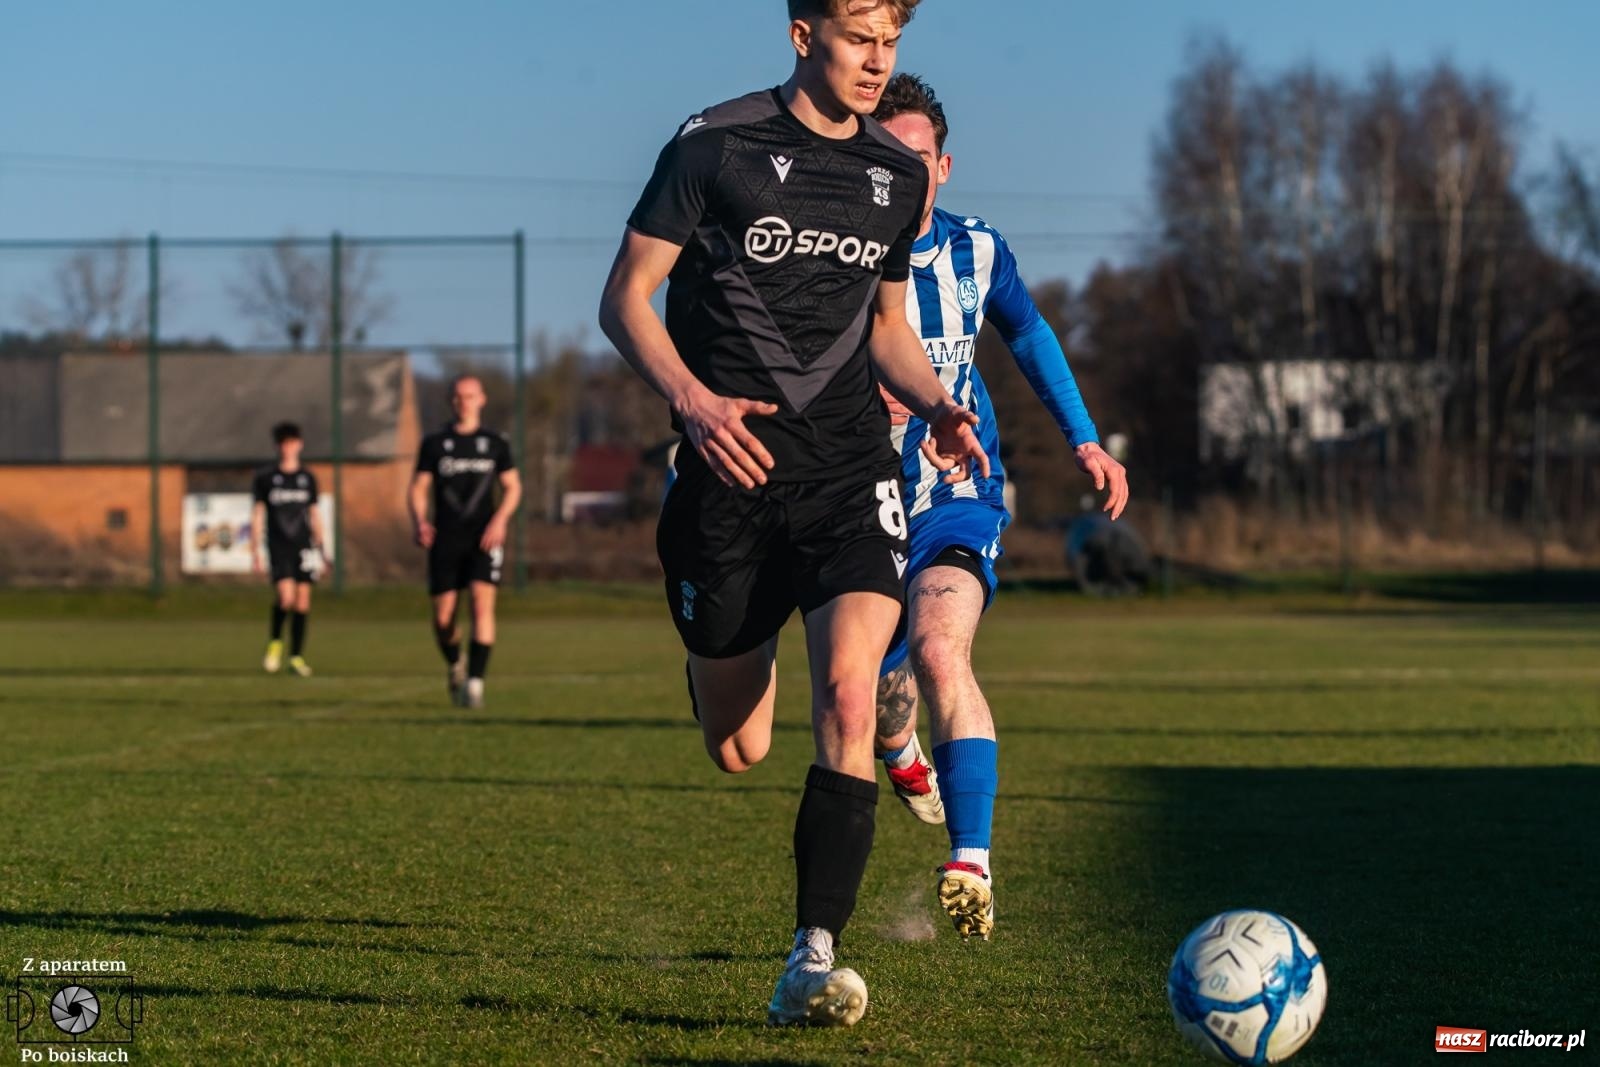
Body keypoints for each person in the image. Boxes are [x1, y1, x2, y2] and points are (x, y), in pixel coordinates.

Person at [598, 0, 989, 1028]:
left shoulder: (895, 174)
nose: (877, 61)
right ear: (803, 34)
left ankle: (811, 956)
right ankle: (724, 648)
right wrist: (692, 401)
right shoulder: (711, 146)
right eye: (859, 38)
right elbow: (625, 297)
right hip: (726, 475)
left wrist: (940, 404)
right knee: (738, 746)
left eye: (890, 42)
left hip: (848, 473)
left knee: (852, 698)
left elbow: (888, 327)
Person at [869, 73, 1130, 940]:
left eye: (918, 158)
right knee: (877, 697)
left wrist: (1085, 439)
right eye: (886, 156)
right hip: (858, 503)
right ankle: (899, 748)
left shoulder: (977, 251)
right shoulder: (836, 262)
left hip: (957, 496)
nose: (904, 173)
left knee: (941, 650)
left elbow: (1029, 332)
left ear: (942, 167)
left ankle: (971, 860)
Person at [408, 374, 521, 709]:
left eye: (470, 396)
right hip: (445, 539)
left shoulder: (495, 443)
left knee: (481, 605)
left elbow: (513, 487)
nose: (464, 402)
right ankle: (456, 662)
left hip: (484, 538)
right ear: (451, 401)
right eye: (458, 396)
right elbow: (418, 488)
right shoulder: (434, 443)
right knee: (443, 620)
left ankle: (475, 683)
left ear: (482, 399)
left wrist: (500, 520)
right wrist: (420, 521)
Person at [251, 422, 326, 677]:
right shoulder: (266, 479)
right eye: (283, 443)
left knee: (303, 602)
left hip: (304, 545)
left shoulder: (307, 478)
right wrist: (255, 549)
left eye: (292, 443)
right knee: (286, 598)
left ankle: (296, 657)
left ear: (300, 445)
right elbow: (258, 513)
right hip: (278, 545)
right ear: (277, 446)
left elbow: (314, 514)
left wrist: (322, 548)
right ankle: (275, 642)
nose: (288, 448)